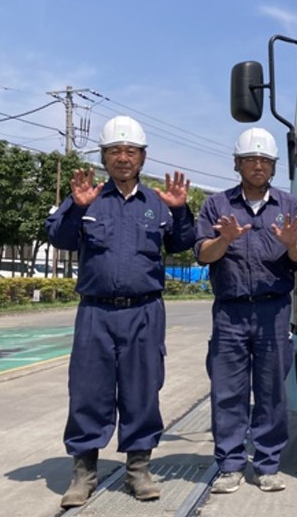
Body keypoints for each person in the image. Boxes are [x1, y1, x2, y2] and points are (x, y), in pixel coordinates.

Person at [45, 115, 196, 508]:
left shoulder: (157, 203)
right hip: (95, 312)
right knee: (88, 390)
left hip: (144, 311)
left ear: (142, 158)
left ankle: (138, 470)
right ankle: (83, 473)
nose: (123, 158)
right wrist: (76, 208)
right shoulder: (88, 198)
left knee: (142, 390)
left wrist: (181, 211)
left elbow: (182, 243)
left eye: (131, 151)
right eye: (115, 151)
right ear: (104, 157)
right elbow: (59, 238)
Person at [195, 128, 297, 494]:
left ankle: (267, 464)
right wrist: (225, 239)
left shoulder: (290, 206)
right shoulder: (217, 205)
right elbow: (203, 254)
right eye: (250, 160)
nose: (258, 166)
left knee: (271, 391)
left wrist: (291, 244)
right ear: (237, 164)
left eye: (265, 160)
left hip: (273, 311)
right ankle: (230, 464)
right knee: (228, 391)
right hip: (230, 312)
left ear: (274, 166)